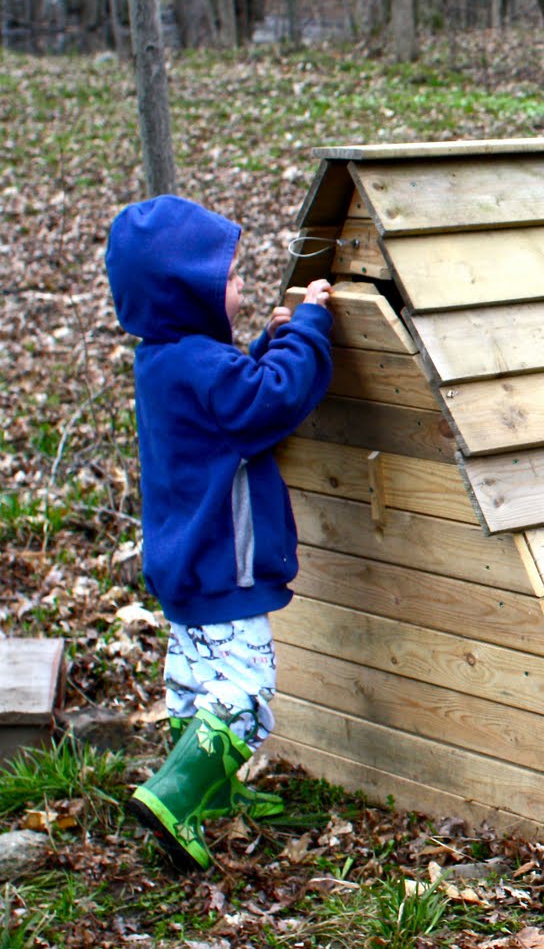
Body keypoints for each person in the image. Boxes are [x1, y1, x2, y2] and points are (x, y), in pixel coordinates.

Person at [104, 195, 334, 871]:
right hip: (224, 570)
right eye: (230, 278)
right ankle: (177, 795)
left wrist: (269, 342)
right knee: (246, 691)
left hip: (185, 568)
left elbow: (234, 403)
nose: (239, 288)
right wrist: (311, 328)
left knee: (198, 684)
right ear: (188, 290)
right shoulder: (203, 366)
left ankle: (207, 797)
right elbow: (274, 400)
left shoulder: (166, 360)